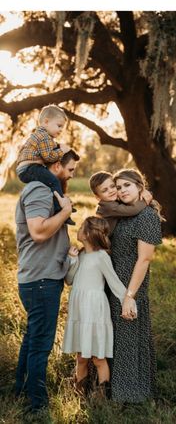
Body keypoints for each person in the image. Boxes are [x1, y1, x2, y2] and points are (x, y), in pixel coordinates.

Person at [15, 148, 79, 414]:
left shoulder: (45, 190)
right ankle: (37, 406)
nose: (72, 175)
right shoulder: (40, 190)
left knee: (33, 338)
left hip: (40, 278)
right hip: (41, 281)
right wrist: (65, 211)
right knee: (41, 343)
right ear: (55, 168)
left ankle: (20, 390)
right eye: (70, 170)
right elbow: (39, 232)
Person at [62, 216, 136, 398]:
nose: (78, 230)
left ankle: (102, 397)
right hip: (80, 309)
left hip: (94, 310)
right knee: (81, 357)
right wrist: (72, 260)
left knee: (98, 358)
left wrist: (128, 301)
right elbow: (69, 280)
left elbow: (114, 282)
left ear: (88, 234)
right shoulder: (80, 254)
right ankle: (79, 394)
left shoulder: (102, 256)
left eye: (81, 227)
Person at [107, 169, 162, 404]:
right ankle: (106, 390)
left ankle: (129, 395)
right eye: (118, 187)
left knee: (128, 336)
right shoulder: (121, 213)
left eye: (127, 185)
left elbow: (145, 259)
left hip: (131, 284)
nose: (121, 190)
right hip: (111, 282)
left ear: (140, 187)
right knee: (111, 336)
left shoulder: (147, 216)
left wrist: (130, 295)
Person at [15, 104, 74, 224]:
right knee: (54, 181)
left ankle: (57, 205)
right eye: (59, 126)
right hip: (29, 168)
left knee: (49, 182)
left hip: (27, 168)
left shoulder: (42, 136)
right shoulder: (44, 136)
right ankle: (60, 210)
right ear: (46, 121)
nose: (61, 130)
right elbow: (49, 157)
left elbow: (48, 151)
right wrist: (62, 150)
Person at [89, 170, 162, 233]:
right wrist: (145, 200)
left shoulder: (147, 215)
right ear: (98, 197)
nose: (111, 191)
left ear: (139, 187)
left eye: (113, 186)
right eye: (105, 190)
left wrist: (143, 191)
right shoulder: (109, 207)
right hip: (99, 242)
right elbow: (133, 210)